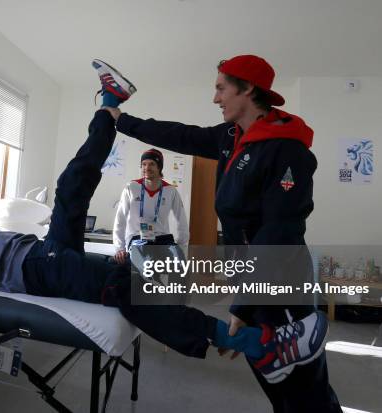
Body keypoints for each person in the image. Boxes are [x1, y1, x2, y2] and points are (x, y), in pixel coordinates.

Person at [0, 58, 328, 390]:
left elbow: (199, 195)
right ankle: (242, 339)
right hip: (36, 269)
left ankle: (109, 104)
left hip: (44, 248)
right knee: (122, 285)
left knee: (72, 182)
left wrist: (120, 118)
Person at [101, 55, 341, 412]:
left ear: (247, 89)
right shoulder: (231, 136)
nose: (215, 98)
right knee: (274, 380)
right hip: (250, 278)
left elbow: (279, 231)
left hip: (280, 284)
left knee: (304, 391)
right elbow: (180, 135)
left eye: (220, 88)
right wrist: (121, 121)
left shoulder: (286, 148)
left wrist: (242, 306)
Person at [113, 148, 189, 265]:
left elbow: (181, 220)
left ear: (159, 167)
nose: (147, 168)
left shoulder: (170, 190)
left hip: (162, 239)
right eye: (144, 164)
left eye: (152, 164)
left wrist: (181, 247)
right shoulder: (131, 187)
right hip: (137, 238)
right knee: (146, 262)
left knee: (179, 263)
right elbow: (120, 219)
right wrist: (120, 248)